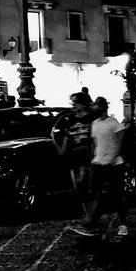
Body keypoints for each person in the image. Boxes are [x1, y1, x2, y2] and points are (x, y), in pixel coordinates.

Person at [82, 97, 131, 242]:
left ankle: (123, 225)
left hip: (114, 164)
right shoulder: (95, 123)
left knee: (116, 195)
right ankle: (93, 221)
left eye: (97, 105)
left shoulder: (113, 123)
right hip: (98, 162)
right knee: (94, 193)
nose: (94, 108)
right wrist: (95, 157)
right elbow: (95, 143)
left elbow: (120, 143)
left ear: (103, 107)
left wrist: (112, 158)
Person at [53, 91, 98, 235]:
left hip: (88, 156)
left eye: (75, 102)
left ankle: (91, 219)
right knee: (79, 188)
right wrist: (60, 147)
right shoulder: (67, 119)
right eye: (72, 102)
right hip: (73, 157)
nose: (73, 105)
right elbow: (58, 134)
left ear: (83, 104)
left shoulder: (92, 118)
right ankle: (89, 216)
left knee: (86, 184)